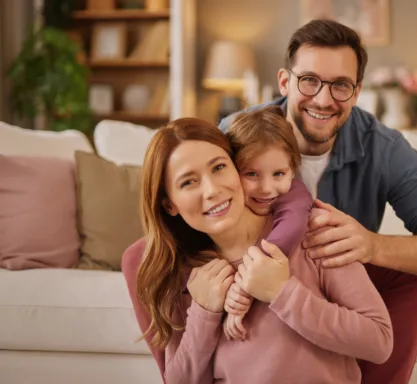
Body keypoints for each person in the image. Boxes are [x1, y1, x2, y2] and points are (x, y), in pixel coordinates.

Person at [219, 19, 417, 384]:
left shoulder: (383, 147)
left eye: (340, 86)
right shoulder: (236, 133)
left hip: (339, 280)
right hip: (246, 271)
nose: (323, 99)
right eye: (309, 80)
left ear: (357, 91)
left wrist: (372, 245)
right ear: (285, 81)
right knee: (141, 255)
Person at [121, 117, 394, 384]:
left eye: (218, 168)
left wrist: (282, 293)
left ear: (239, 167)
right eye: (188, 182)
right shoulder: (183, 275)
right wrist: (204, 313)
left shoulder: (313, 234)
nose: (213, 190)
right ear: (170, 205)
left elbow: (379, 341)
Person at [222, 105, 314, 340]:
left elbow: (289, 229)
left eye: (278, 174)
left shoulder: (295, 195)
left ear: (293, 170)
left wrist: (243, 286)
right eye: (251, 174)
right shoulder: (223, 201)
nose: (266, 188)